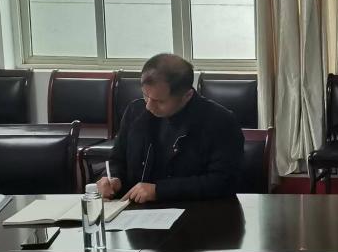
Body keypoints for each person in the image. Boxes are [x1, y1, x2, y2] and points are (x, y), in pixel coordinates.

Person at [97, 53, 243, 203]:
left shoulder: (220, 121)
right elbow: (117, 159)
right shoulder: (135, 111)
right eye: (145, 95)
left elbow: (223, 182)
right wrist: (112, 178)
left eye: (160, 101)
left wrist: (159, 191)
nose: (148, 106)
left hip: (195, 210)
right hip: (136, 210)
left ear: (187, 96)